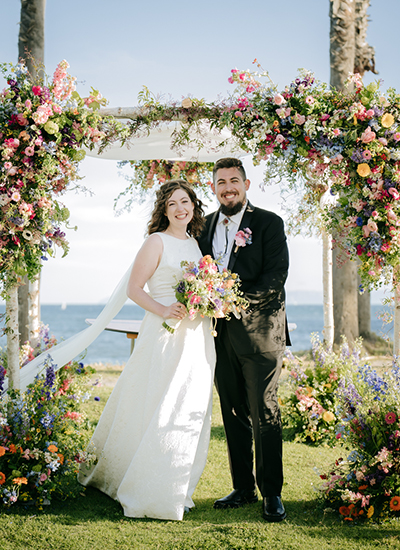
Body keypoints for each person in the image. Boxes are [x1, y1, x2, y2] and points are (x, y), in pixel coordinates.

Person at [78, 180, 216, 521]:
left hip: (196, 334)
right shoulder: (157, 241)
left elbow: (201, 288)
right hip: (166, 331)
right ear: (164, 211)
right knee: (158, 402)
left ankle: (176, 485)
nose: (180, 208)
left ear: (194, 206)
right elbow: (134, 288)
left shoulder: (196, 245)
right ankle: (148, 485)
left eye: (185, 201)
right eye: (172, 204)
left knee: (188, 406)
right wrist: (164, 309)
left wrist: (211, 301)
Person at [197, 157, 290, 522]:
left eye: (234, 180)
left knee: (264, 410)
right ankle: (243, 487)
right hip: (218, 336)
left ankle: (272, 493)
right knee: (233, 412)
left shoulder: (268, 223)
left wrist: (232, 302)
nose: (228, 187)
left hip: (261, 333)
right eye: (221, 182)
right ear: (214, 188)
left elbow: (275, 278)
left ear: (246, 185)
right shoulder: (203, 228)